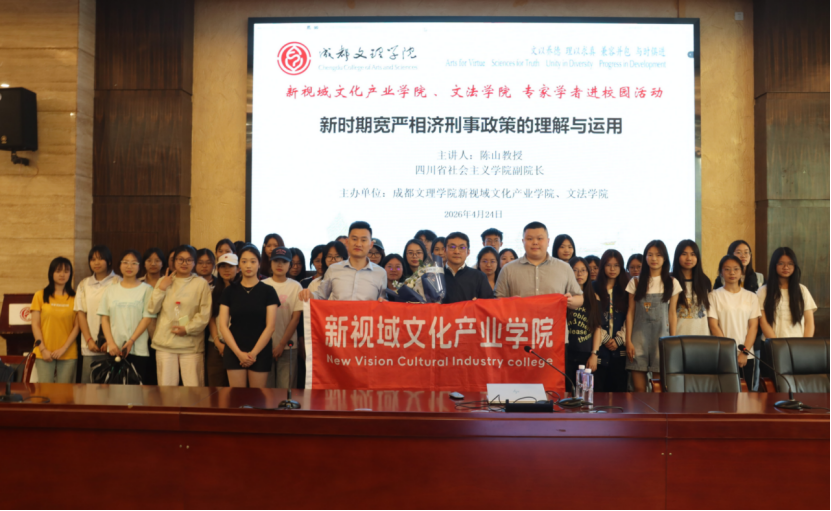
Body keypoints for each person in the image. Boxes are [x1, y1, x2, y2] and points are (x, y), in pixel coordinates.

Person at [147, 245, 212, 387]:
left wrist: (187, 329)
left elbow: (204, 315)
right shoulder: (163, 281)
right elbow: (152, 309)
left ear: (194, 263)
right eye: (180, 259)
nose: (184, 263)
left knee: (194, 390)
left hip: (191, 345)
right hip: (165, 344)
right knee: (166, 391)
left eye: (189, 260)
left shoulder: (201, 284)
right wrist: (162, 288)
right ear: (174, 261)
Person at [625, 240, 682, 393]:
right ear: (645, 258)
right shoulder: (635, 282)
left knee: (658, 388)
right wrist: (628, 341)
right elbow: (630, 312)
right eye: (650, 255)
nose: (654, 258)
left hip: (661, 339)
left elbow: (672, 314)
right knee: (639, 389)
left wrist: (672, 341)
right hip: (638, 339)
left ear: (665, 258)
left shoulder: (672, 282)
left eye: (658, 255)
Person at [219, 245, 279, 389]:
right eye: (244, 261)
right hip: (234, 348)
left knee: (257, 397)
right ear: (239, 264)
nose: (248, 265)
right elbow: (223, 326)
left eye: (253, 261)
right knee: (236, 397)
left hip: (260, 350)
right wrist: (239, 353)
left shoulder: (268, 291)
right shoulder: (229, 291)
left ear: (259, 264)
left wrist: (253, 354)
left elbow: (270, 327)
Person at [98, 250, 157, 384]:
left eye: (134, 263)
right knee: (114, 389)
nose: (129, 266)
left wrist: (131, 341)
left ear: (140, 266)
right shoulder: (110, 290)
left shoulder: (146, 289)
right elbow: (105, 318)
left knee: (136, 390)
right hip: (114, 349)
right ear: (119, 265)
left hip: (138, 349)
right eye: (125, 262)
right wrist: (110, 343)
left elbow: (147, 318)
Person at [494, 222, 584, 311]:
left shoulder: (564, 268)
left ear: (548, 241)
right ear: (523, 241)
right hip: (520, 320)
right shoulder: (508, 269)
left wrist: (571, 301)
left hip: (553, 320)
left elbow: (579, 297)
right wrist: (509, 302)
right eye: (530, 239)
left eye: (540, 238)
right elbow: (497, 299)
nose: (535, 242)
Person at [708, 255, 762, 390]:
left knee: (746, 394)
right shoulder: (714, 295)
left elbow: (753, 327)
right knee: (723, 394)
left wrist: (745, 353)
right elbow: (713, 326)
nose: (732, 272)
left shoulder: (751, 296)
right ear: (721, 272)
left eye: (736, 269)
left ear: (742, 272)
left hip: (746, 356)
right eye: (727, 269)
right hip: (722, 354)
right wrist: (729, 352)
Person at [300, 222, 387, 302]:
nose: (358, 244)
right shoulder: (333, 269)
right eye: (354, 239)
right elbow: (321, 296)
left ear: (371, 245)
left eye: (363, 240)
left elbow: (383, 300)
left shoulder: (380, 273)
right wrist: (310, 295)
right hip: (338, 314)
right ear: (347, 242)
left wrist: (384, 302)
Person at [75, 245, 121, 383]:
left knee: (110, 387)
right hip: (90, 345)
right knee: (88, 386)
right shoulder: (84, 284)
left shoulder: (118, 282)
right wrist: (89, 340)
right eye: (93, 259)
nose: (96, 262)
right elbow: (81, 314)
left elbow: (121, 315)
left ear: (109, 261)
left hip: (113, 344)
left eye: (101, 259)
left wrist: (109, 341)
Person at [30, 257, 79, 384]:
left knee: (65, 393)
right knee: (45, 391)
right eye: (58, 271)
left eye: (66, 271)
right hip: (44, 353)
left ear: (70, 274)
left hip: (68, 353)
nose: (62, 274)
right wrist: (43, 349)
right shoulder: (40, 295)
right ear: (51, 273)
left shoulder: (76, 297)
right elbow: (35, 325)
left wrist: (64, 348)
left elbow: (77, 326)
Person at [263, 248, 304, 389]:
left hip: (288, 347)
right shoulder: (263, 285)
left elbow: (295, 319)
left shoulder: (296, 286)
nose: (279, 265)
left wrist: (281, 344)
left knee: (285, 390)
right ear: (270, 263)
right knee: (266, 392)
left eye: (284, 262)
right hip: (264, 347)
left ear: (290, 265)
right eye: (276, 261)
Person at [758, 247, 817, 340]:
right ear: (774, 265)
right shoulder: (763, 291)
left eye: (790, 263)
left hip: (798, 343)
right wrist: (776, 343)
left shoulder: (802, 290)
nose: (786, 267)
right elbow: (763, 322)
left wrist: (805, 343)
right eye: (781, 263)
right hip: (771, 343)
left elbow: (809, 322)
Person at [566, 257, 604, 395]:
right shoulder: (565, 298)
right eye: (575, 270)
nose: (579, 274)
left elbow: (597, 328)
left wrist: (594, 354)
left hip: (586, 354)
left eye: (583, 270)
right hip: (566, 353)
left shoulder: (594, 298)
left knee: (586, 394)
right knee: (567, 393)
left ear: (588, 273)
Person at [594, 250, 630, 392]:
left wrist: (619, 340)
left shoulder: (627, 289)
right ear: (602, 266)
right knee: (598, 394)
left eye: (616, 265)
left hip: (620, 350)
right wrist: (605, 338)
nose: (612, 269)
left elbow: (631, 316)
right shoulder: (593, 287)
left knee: (619, 394)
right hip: (599, 349)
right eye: (608, 265)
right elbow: (591, 317)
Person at [207, 252, 239, 387]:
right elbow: (211, 318)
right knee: (215, 387)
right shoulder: (212, 291)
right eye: (223, 266)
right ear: (217, 269)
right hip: (216, 344)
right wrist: (217, 342)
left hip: (238, 345)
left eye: (230, 266)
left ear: (238, 269)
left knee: (237, 390)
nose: (226, 270)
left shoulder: (243, 291)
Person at [671, 240, 712, 336]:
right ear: (677, 256)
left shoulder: (704, 281)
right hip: (678, 336)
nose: (689, 258)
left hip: (702, 337)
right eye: (684, 254)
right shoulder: (671, 281)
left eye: (693, 254)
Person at [442, 233, 494, 304]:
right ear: (445, 250)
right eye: (452, 247)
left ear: (468, 252)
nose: (457, 251)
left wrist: (478, 303)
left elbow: (489, 304)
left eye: (462, 248)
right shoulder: (435, 277)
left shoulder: (479, 276)